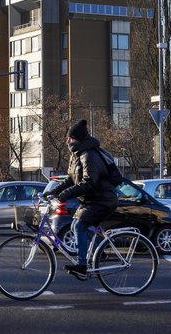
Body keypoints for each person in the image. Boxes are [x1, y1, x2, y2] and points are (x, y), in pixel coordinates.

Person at [49, 119, 118, 278]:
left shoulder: (89, 155)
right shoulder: (77, 155)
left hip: (103, 200)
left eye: (70, 138)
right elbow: (70, 180)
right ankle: (98, 251)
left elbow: (89, 183)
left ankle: (82, 265)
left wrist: (66, 194)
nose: (67, 141)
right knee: (74, 225)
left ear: (78, 139)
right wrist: (53, 192)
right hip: (91, 200)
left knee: (79, 226)